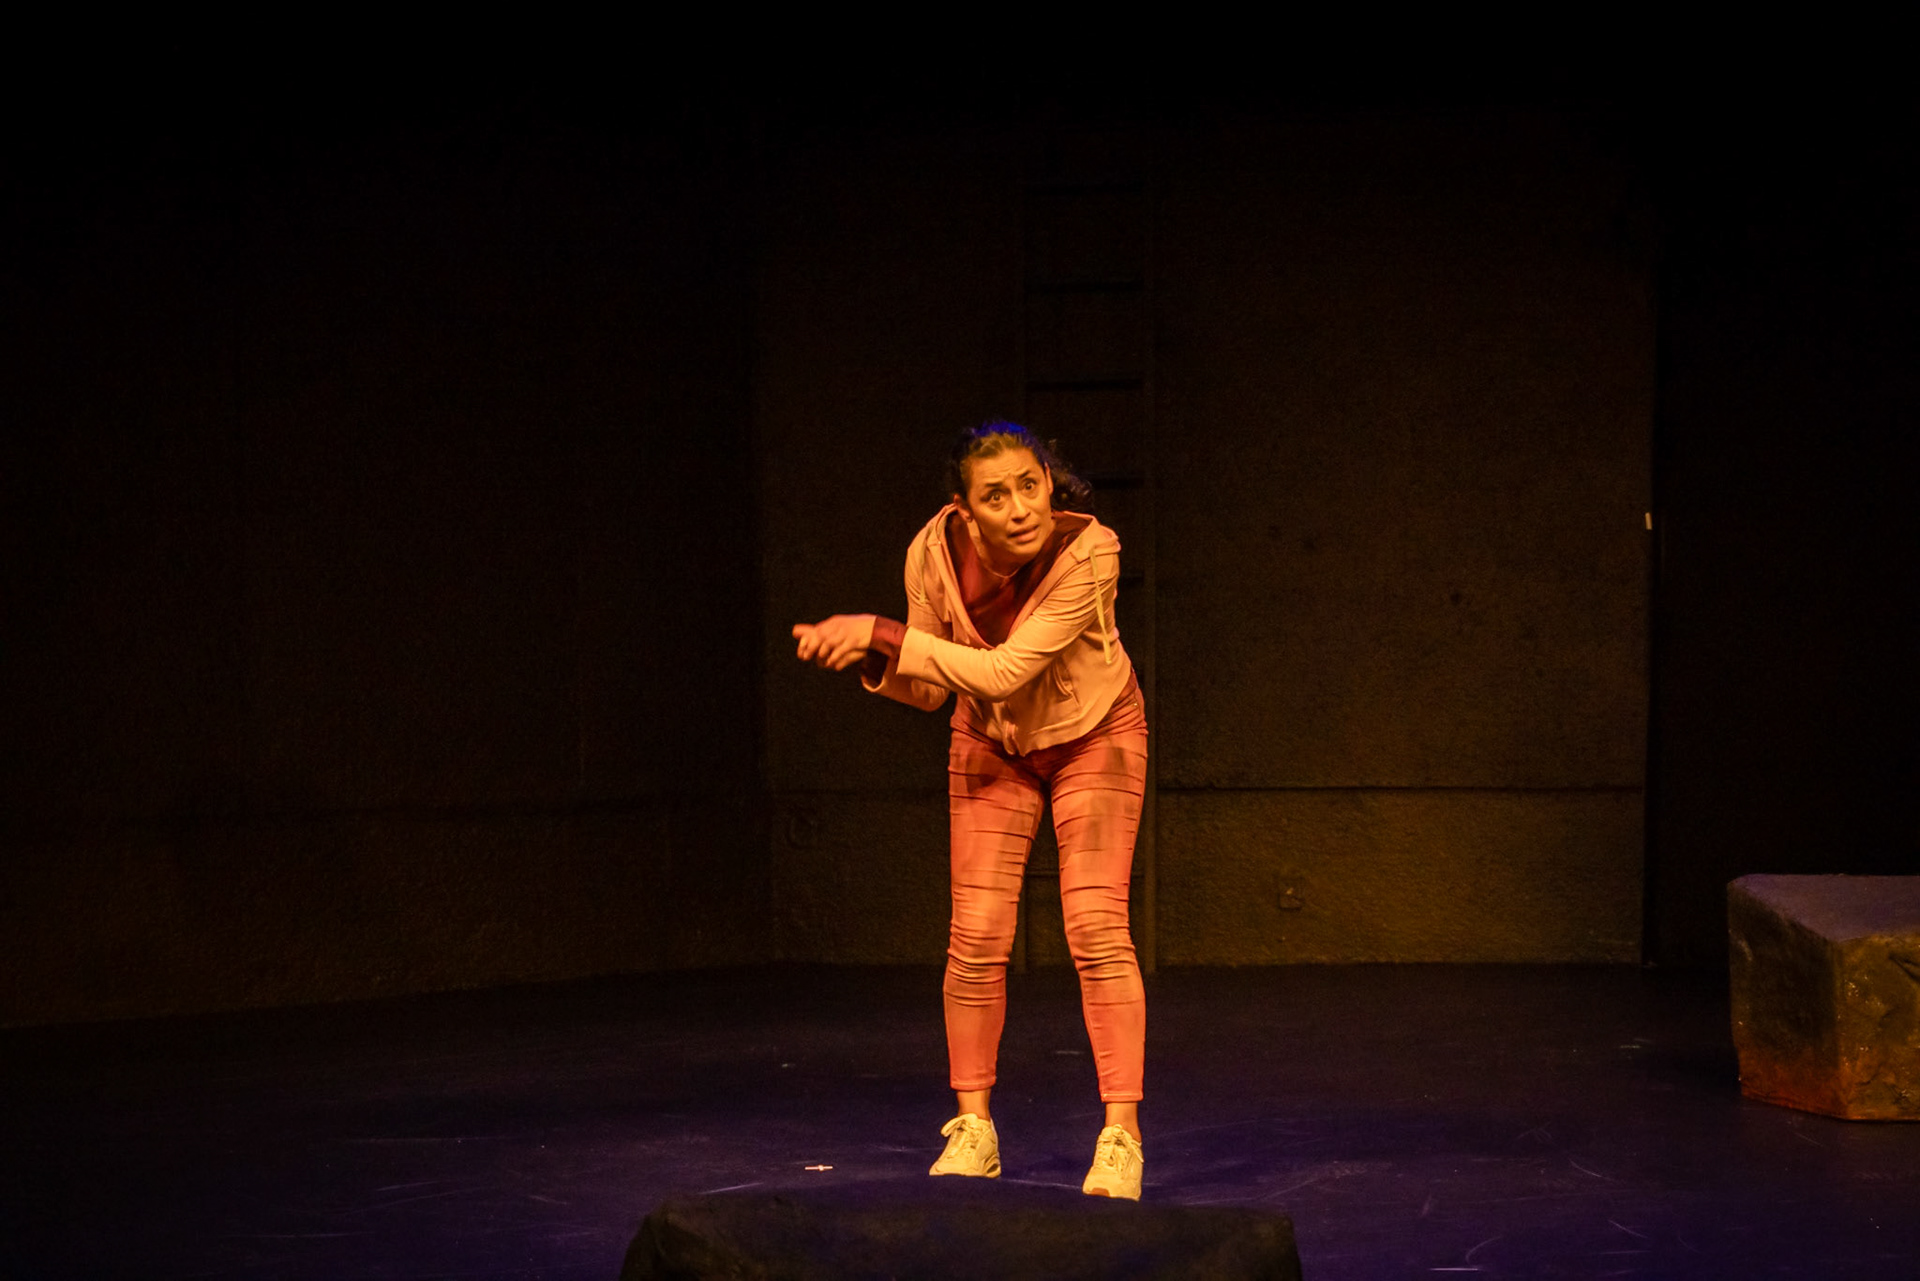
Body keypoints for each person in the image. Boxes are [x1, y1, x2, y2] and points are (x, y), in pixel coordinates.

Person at [791, 420, 1149, 1201]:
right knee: (976, 935)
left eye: (1030, 485)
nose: (1020, 508)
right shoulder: (932, 552)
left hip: (1095, 734)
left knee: (1096, 926)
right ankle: (974, 1128)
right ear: (964, 508)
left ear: (1049, 482)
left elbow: (1004, 669)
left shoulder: (1092, 552)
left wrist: (881, 630)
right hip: (990, 739)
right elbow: (932, 688)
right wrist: (877, 658)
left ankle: (1120, 1135)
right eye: (996, 495)